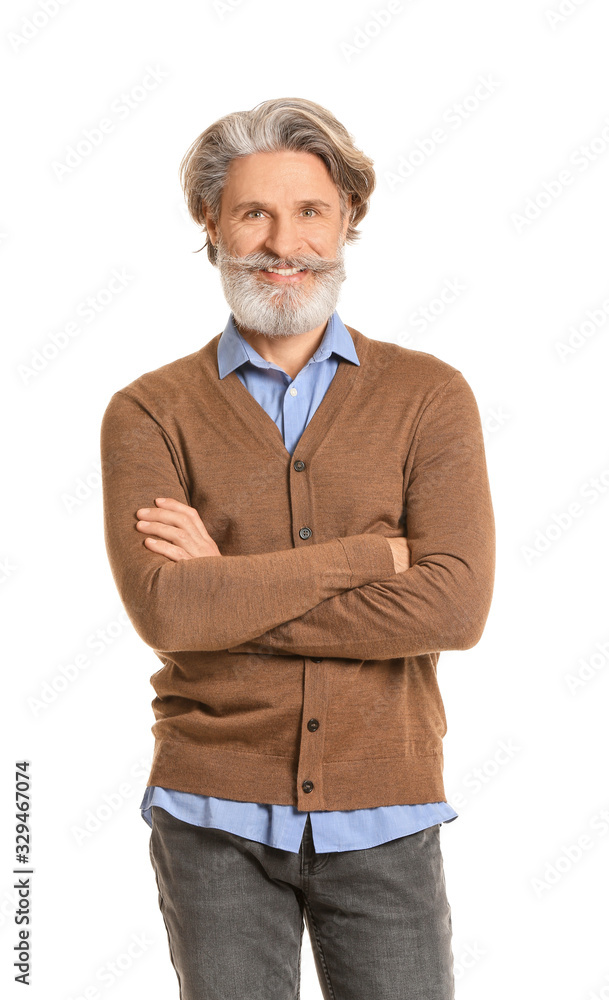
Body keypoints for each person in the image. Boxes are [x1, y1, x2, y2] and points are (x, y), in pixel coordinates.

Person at [100, 96, 495, 1000]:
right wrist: (370, 556)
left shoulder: (429, 396)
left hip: (385, 810)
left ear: (347, 218)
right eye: (254, 213)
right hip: (211, 816)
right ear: (212, 223)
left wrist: (227, 593)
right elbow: (166, 608)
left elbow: (455, 607)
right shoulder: (148, 411)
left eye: (310, 211)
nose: (284, 243)